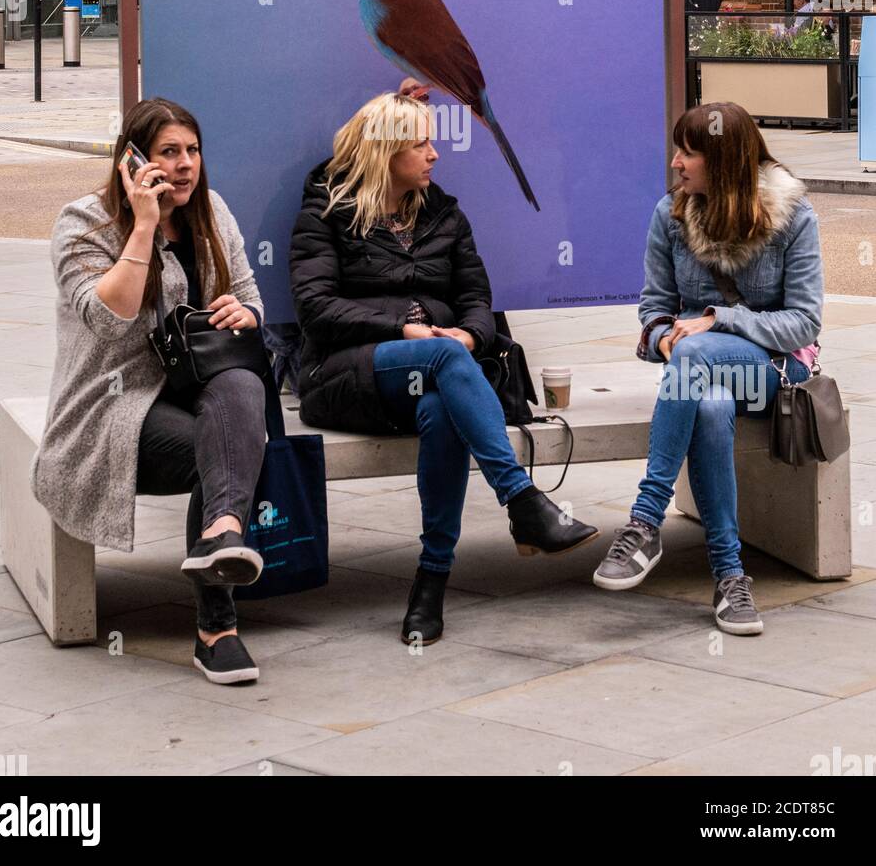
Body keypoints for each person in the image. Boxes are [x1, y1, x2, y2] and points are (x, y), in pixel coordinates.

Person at [290, 91, 598, 646]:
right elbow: (315, 307)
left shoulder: (444, 214)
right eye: (421, 144)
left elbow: (478, 296)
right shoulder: (326, 212)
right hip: (344, 375)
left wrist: (470, 332)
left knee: (442, 407)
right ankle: (522, 502)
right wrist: (402, 329)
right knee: (443, 358)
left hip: (430, 375)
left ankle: (431, 581)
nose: (435, 153)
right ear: (384, 153)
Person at [31, 98, 269, 685]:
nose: (186, 165)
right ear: (131, 160)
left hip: (201, 388)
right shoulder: (83, 222)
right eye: (169, 152)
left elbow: (252, 299)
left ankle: (222, 538)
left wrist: (245, 313)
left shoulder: (212, 211)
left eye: (192, 150)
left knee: (241, 383)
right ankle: (218, 625)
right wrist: (142, 224)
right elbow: (111, 319)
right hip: (112, 407)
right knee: (220, 453)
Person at [593, 102, 823, 636]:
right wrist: (664, 340)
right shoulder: (669, 216)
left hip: (773, 370)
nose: (675, 163)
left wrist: (717, 321)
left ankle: (645, 520)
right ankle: (729, 575)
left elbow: (803, 324)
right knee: (710, 401)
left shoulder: (793, 217)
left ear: (723, 162)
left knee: (700, 355)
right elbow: (653, 311)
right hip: (698, 377)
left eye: (688, 153)